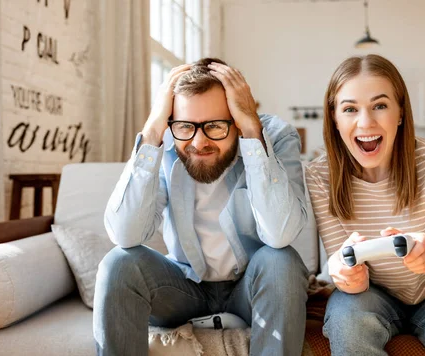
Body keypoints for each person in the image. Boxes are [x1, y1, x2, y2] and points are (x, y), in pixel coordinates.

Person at [94, 58, 311, 356]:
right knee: (117, 263)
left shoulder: (274, 136)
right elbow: (125, 234)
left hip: (252, 288)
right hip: (183, 289)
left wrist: (252, 133)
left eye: (215, 126)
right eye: (185, 126)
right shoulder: (167, 140)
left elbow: (280, 234)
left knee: (281, 261)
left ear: (236, 118)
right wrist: (153, 130)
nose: (199, 142)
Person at [305, 54, 425, 356]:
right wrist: (344, 274)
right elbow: (348, 279)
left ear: (400, 113)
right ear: (335, 119)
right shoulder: (319, 175)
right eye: (350, 109)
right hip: (372, 294)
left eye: (380, 105)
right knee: (346, 318)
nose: (365, 122)